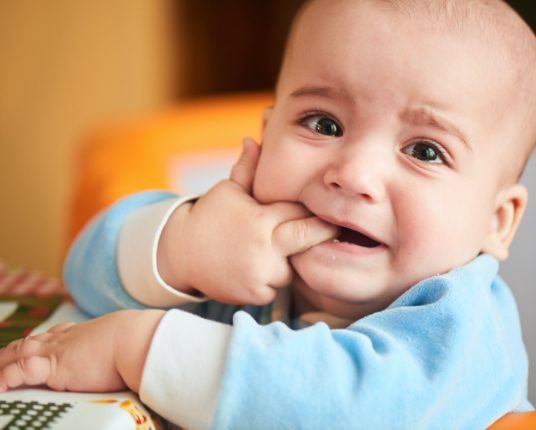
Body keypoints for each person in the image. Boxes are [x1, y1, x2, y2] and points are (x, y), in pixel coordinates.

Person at [0, 0, 535, 428]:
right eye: (323, 123)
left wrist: (136, 347)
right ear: (267, 134)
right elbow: (84, 277)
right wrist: (182, 246)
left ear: (497, 220)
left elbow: (351, 409)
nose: (353, 174)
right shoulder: (244, 243)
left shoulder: (461, 325)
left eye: (424, 151)